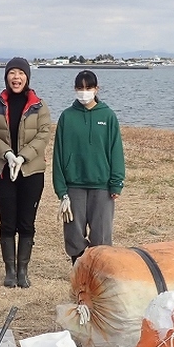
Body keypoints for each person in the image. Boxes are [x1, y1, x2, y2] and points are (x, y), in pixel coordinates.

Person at [0, 57, 51, 288]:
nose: (16, 77)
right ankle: (9, 270)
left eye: (21, 73)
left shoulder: (39, 106)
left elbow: (43, 135)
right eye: (12, 73)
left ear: (27, 77)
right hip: (3, 170)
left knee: (27, 222)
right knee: (7, 222)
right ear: (6, 77)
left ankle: (23, 269)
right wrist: (8, 154)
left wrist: (23, 157)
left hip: (31, 171)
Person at [52, 70, 125, 264]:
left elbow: (115, 150)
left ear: (96, 89)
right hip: (73, 184)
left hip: (102, 185)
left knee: (101, 233)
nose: (84, 92)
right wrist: (61, 189)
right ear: (75, 89)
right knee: (73, 231)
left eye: (88, 88)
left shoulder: (108, 116)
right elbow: (58, 154)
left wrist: (116, 183)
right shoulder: (67, 117)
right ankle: (79, 264)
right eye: (80, 88)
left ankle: (99, 268)